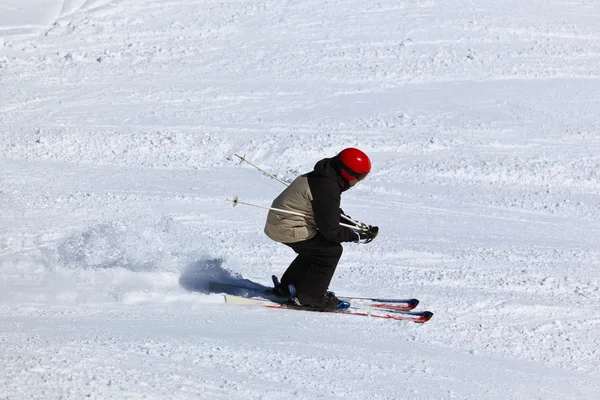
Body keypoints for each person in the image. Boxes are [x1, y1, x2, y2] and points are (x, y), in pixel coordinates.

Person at [264, 148, 379, 309]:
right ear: (347, 173)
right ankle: (311, 296)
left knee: (316, 248)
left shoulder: (325, 176)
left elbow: (330, 212)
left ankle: (289, 287)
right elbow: (331, 231)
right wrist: (356, 236)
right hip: (285, 226)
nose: (358, 181)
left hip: (281, 223)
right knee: (330, 251)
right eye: (360, 177)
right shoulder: (327, 186)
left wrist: (358, 228)